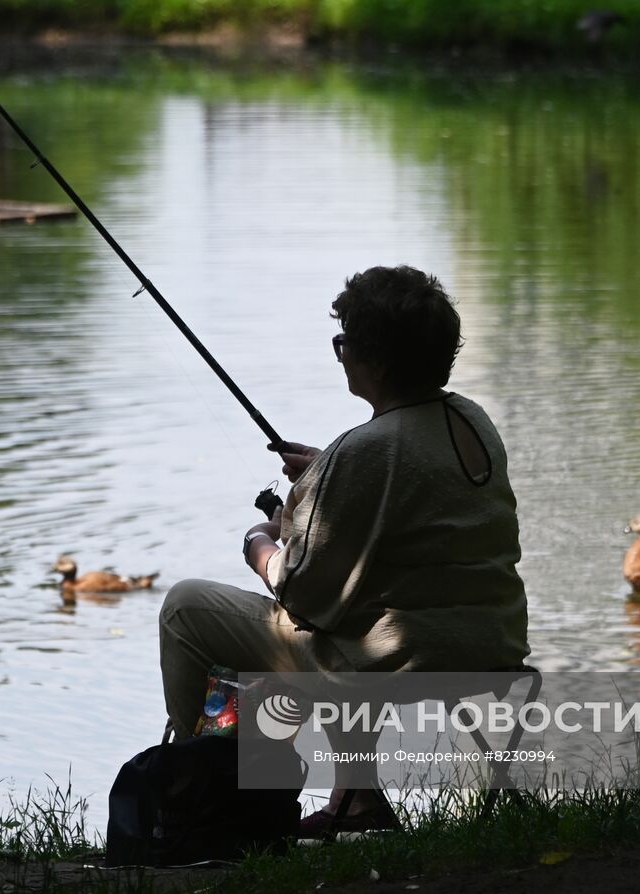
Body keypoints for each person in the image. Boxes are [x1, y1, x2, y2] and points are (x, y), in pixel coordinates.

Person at [158, 264, 529, 833]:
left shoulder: (367, 452)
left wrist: (261, 541)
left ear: (376, 361)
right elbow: (410, 495)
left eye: (344, 342)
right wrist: (325, 471)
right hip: (489, 645)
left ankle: (197, 796)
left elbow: (300, 593)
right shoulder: (471, 420)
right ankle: (358, 800)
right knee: (358, 614)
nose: (340, 353)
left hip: (396, 662)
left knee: (186, 607)